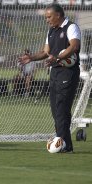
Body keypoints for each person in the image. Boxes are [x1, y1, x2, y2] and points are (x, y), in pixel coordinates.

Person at [18, 3, 81, 153]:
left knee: (61, 109)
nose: (47, 20)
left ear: (58, 15)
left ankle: (64, 145)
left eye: (49, 17)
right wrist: (31, 57)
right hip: (54, 73)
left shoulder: (71, 27)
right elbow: (46, 52)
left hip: (68, 73)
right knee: (55, 110)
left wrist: (58, 58)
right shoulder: (51, 30)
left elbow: (74, 47)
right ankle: (63, 142)